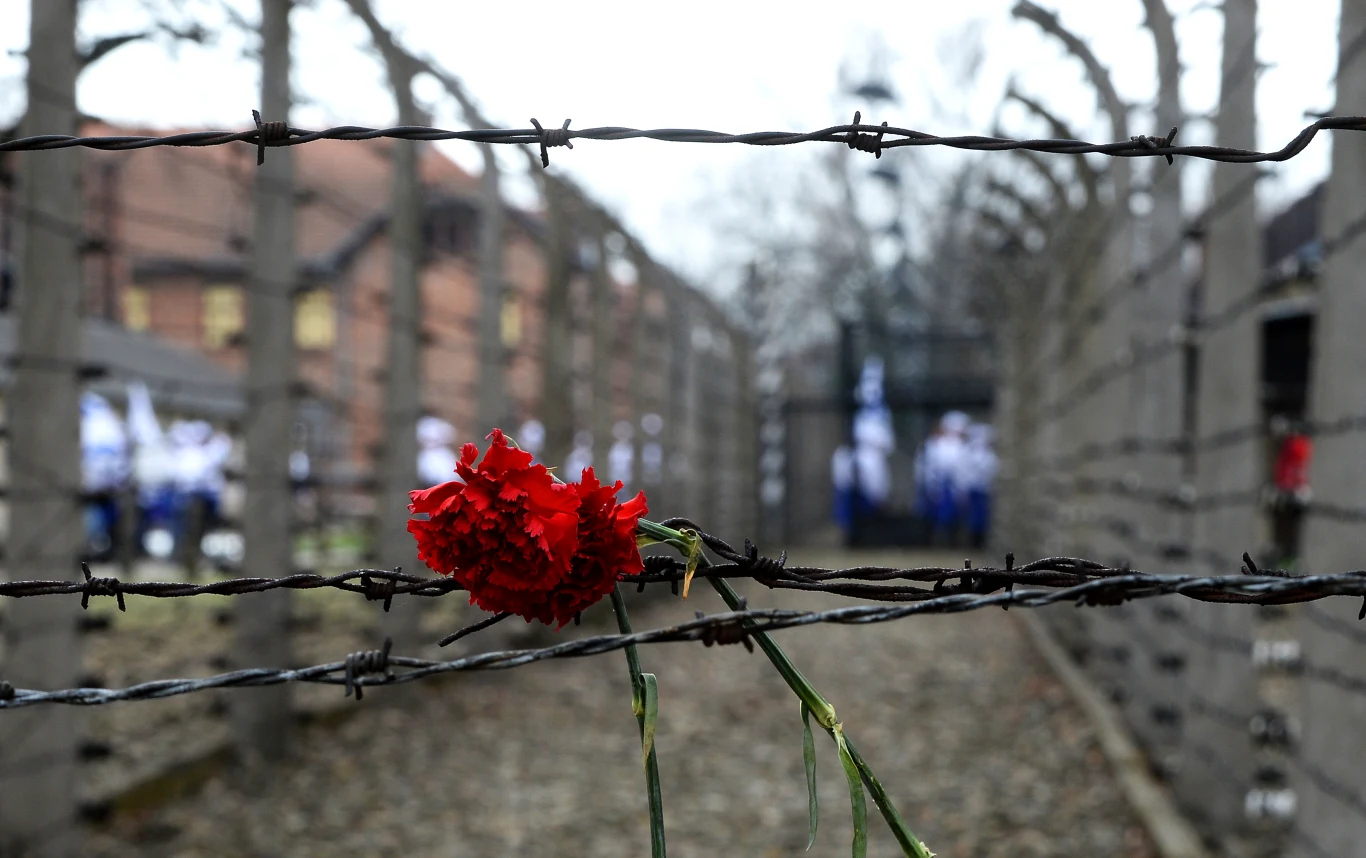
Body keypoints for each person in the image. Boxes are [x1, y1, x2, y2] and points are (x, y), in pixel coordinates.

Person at [962, 423, 998, 549]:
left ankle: (978, 542)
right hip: (973, 489)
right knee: (972, 517)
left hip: (983, 490)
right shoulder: (969, 453)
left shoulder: (989, 456)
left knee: (981, 518)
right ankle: (971, 542)